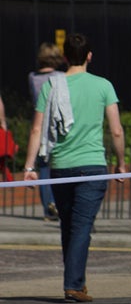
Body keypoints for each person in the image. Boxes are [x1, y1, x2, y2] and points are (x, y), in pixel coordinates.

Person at [22, 33, 126, 303]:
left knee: (68, 225)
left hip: (60, 166)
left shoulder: (51, 85)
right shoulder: (103, 86)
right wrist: (122, 163)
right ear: (89, 56)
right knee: (81, 226)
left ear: (65, 57)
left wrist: (29, 165)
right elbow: (116, 131)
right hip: (92, 165)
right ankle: (73, 284)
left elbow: (36, 128)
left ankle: (76, 281)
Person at [28, 42, 64, 221]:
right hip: (56, 124)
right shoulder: (60, 76)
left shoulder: (32, 77)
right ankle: (58, 202)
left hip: (39, 122)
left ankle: (47, 208)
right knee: (58, 164)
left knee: (43, 167)